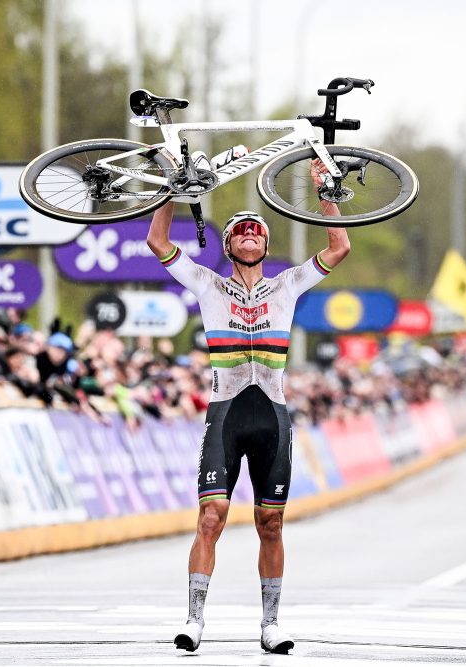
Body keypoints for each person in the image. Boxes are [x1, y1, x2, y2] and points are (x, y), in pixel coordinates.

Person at [147, 161, 350, 654]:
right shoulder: (206, 284)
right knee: (211, 517)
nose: (250, 235)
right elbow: (157, 242)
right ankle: (194, 620)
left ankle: (271, 624)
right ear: (229, 245)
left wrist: (326, 191)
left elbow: (339, 246)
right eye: (240, 231)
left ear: (267, 244)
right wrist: (171, 193)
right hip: (226, 414)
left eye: (258, 231)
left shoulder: (288, 284)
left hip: (273, 416)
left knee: (271, 523)